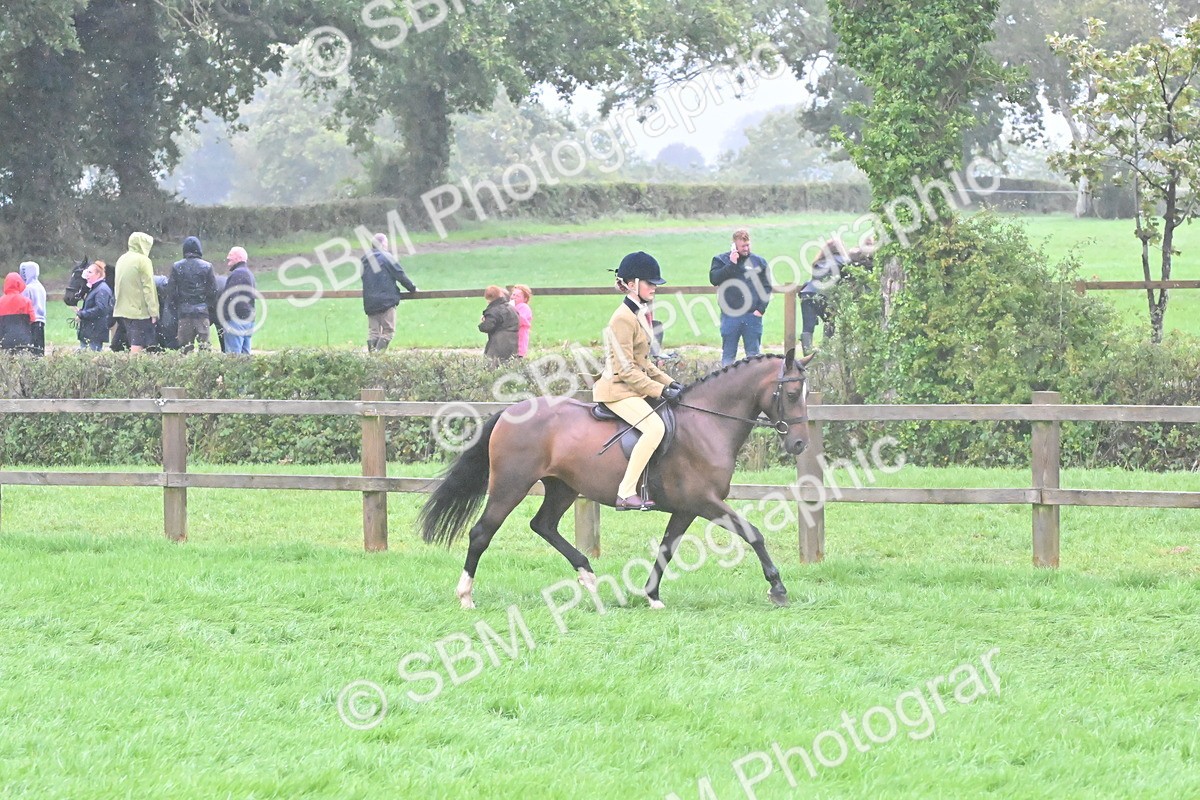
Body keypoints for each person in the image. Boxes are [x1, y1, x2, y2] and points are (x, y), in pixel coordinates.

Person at [592, 251, 683, 511]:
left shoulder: (637, 314)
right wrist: (661, 391)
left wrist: (671, 382)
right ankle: (626, 491)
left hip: (632, 386)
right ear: (631, 284)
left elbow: (644, 362)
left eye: (655, 283)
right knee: (655, 428)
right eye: (649, 283)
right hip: (617, 390)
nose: (655, 288)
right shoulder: (622, 318)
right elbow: (626, 370)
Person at [800, 235, 878, 354]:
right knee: (829, 324)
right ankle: (826, 352)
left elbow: (814, 281)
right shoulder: (843, 261)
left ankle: (807, 356)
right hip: (825, 296)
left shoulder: (818, 262)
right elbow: (851, 278)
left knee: (807, 328)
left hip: (807, 294)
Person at [709, 228, 772, 366]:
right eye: (743, 246)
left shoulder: (759, 262)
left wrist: (760, 310)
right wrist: (731, 264)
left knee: (754, 356)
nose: (746, 248)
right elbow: (714, 279)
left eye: (748, 245)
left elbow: (767, 287)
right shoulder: (720, 260)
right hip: (730, 315)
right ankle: (727, 385)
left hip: (752, 316)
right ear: (734, 245)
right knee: (728, 355)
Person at [361, 233, 417, 352]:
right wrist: (412, 288)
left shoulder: (365, 259)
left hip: (370, 301)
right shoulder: (387, 257)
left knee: (373, 332)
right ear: (382, 244)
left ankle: (371, 360)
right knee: (388, 331)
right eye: (386, 243)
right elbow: (400, 275)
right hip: (386, 300)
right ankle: (378, 355)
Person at [113, 231, 159, 353]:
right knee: (137, 344)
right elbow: (148, 287)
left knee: (130, 340)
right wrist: (153, 311)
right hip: (139, 311)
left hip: (122, 309)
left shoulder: (122, 259)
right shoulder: (143, 261)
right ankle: (135, 369)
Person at [170, 236, 218, 352]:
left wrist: (179, 306)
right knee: (205, 349)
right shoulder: (207, 267)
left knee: (185, 350)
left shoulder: (177, 267)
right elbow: (213, 291)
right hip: (202, 313)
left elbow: (171, 292)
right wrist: (207, 307)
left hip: (184, 313)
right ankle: (205, 370)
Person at [220, 246, 256, 355]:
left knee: (233, 357)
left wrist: (225, 318)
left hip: (236, 320)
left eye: (230, 257)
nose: (228, 259)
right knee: (245, 356)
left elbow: (229, 297)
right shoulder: (249, 274)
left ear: (238, 258)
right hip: (248, 319)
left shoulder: (237, 274)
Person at [75, 261, 114, 351]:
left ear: (98, 274)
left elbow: (101, 309)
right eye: (87, 272)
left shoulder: (102, 289)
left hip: (94, 333)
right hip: (90, 332)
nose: (87, 275)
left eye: (90, 272)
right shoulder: (95, 288)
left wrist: (82, 314)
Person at [478, 285, 519, 362]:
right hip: (513, 343)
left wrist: (483, 322)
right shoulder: (511, 308)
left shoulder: (494, 311)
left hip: (498, 345)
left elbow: (487, 327)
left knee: (493, 369)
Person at [0, 272, 36, 353]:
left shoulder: (0, 302)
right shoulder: (26, 301)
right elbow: (32, 319)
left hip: (4, 341)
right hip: (23, 340)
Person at [18, 261, 46, 356]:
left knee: (31, 351)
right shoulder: (41, 287)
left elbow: (22, 305)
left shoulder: (28, 288)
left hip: (30, 322)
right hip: (41, 322)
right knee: (39, 351)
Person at [510, 284, 533, 357]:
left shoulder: (524, 307)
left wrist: (512, 310)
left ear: (525, 299)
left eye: (518, 296)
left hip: (519, 344)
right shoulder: (510, 307)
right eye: (513, 295)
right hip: (510, 343)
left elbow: (520, 320)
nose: (514, 297)